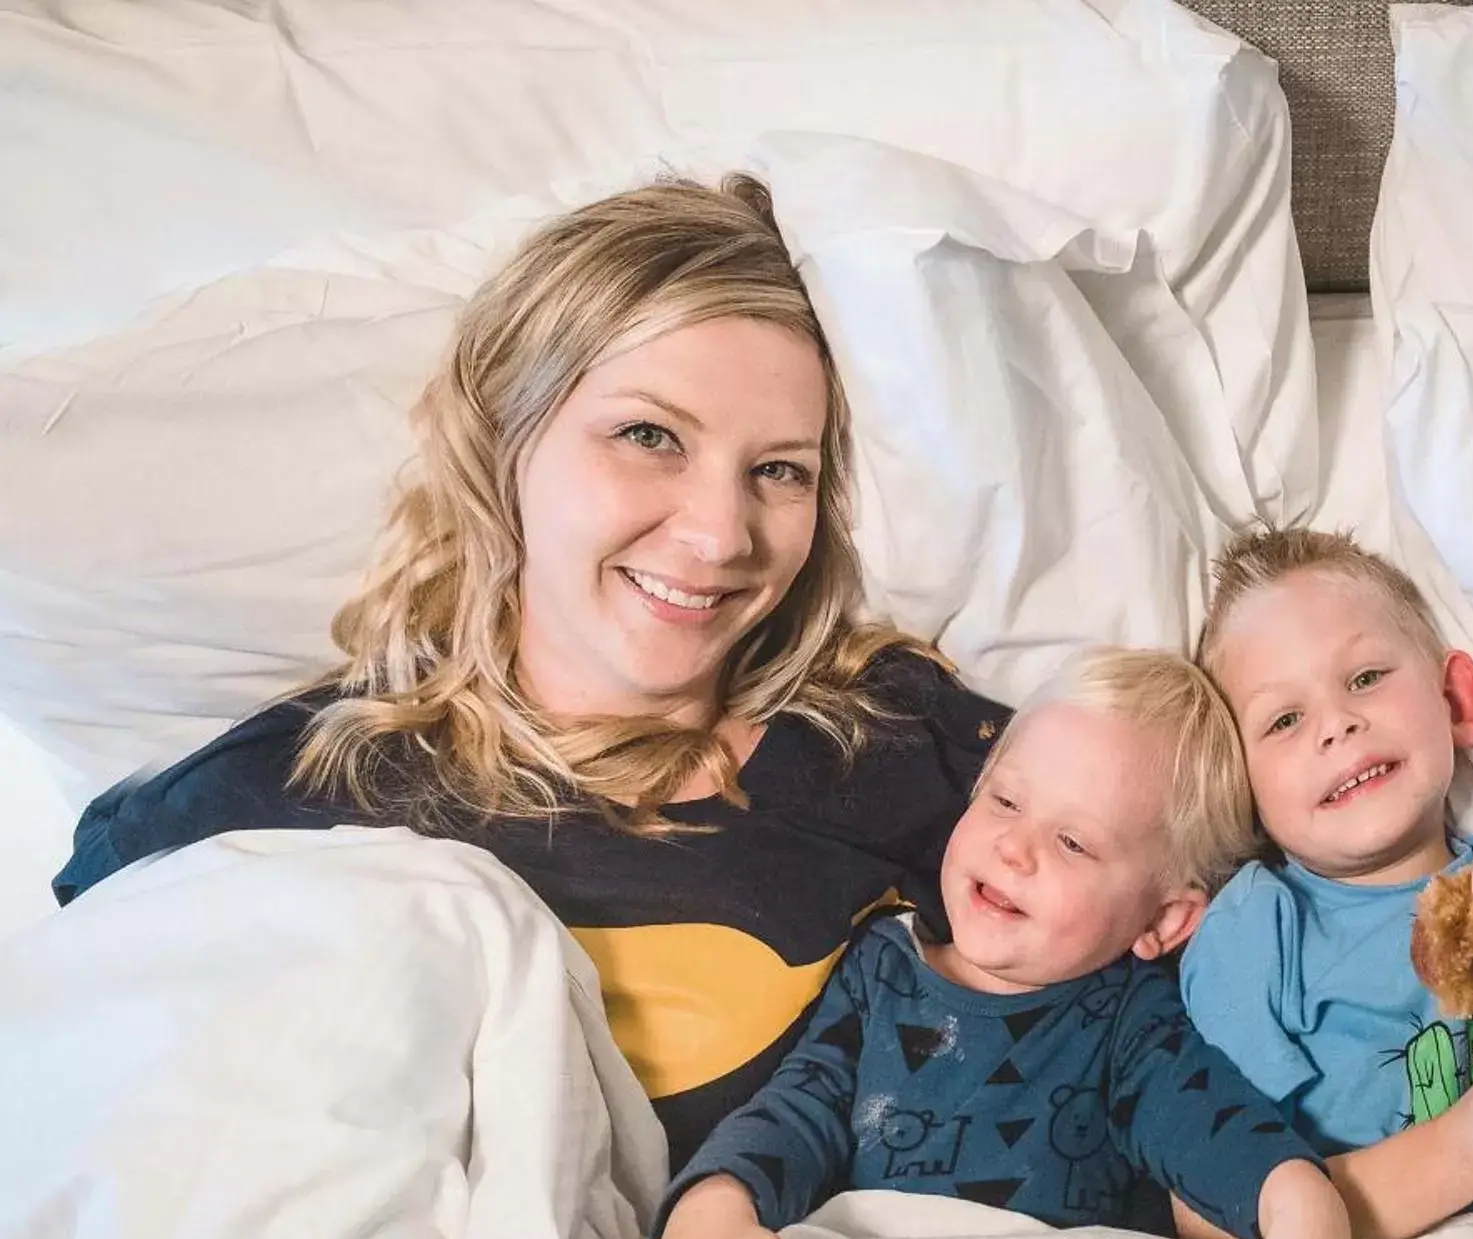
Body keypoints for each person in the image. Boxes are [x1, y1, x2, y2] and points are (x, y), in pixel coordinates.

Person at [49, 175, 1007, 1167]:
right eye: (649, 437)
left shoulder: (902, 755)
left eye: (779, 471)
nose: (721, 536)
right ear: (508, 436)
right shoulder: (277, 804)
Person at [580, 649, 1362, 1239]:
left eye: (1072, 842)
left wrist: (1302, 1207)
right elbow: (798, 1109)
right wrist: (713, 1211)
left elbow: (1208, 1121)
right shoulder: (881, 967)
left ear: (1162, 922)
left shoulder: (1127, 1023)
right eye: (1005, 800)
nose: (1015, 848)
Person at [1179, 528, 1473, 1239]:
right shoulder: (1258, 928)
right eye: (1284, 720)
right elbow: (1206, 1210)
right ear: (1242, 794)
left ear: (1456, 700)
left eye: (1366, 678)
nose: (1338, 724)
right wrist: (1463, 1154)